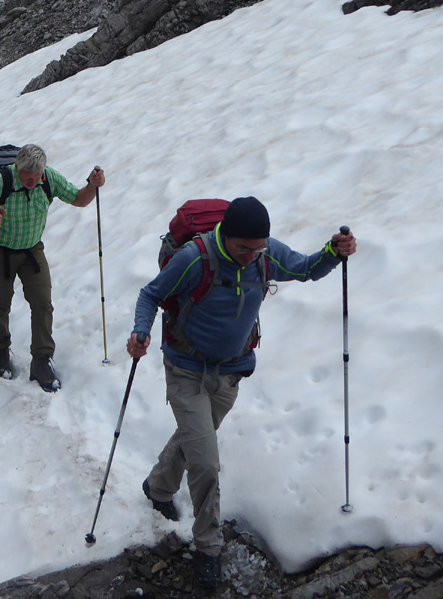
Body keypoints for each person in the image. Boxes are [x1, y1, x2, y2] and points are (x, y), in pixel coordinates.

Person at [126, 197, 356, 589]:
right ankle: (209, 546)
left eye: (258, 248)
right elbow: (150, 294)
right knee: (206, 463)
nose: (251, 257)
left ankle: (159, 486)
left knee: (195, 440)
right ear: (225, 236)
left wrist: (334, 252)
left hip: (231, 372)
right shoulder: (194, 258)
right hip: (186, 369)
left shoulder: (265, 254)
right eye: (242, 248)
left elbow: (304, 269)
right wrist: (141, 331)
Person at [0, 144, 104, 392]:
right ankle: (0, 350)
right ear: (17, 168)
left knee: (42, 302)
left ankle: (41, 360)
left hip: (32, 250)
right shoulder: (0, 182)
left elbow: (80, 199)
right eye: (27, 176)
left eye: (36, 176)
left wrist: (93, 186)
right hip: (1, 250)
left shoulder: (48, 178)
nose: (32, 181)